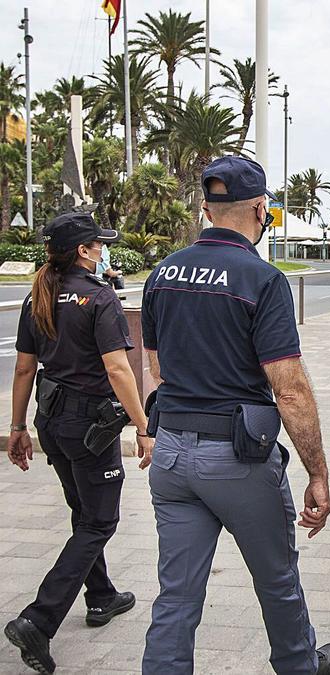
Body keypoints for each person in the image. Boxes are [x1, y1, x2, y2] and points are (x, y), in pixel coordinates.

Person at [140, 156, 330, 675]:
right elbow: (289, 391)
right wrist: (317, 473)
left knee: (176, 595)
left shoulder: (163, 273)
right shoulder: (262, 279)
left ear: (206, 208)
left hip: (172, 454)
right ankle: (300, 665)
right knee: (276, 578)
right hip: (236, 459)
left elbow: (157, 366)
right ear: (261, 210)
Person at [4, 213, 154, 674]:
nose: (103, 249)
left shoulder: (39, 297)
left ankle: (102, 596)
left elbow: (25, 369)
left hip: (51, 422)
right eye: (98, 244)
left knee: (83, 512)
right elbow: (117, 369)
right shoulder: (97, 297)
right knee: (99, 521)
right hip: (90, 426)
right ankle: (39, 617)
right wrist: (143, 426)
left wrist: (17, 428)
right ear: (85, 251)